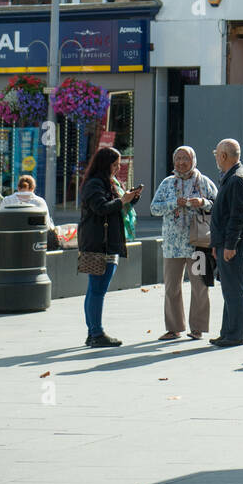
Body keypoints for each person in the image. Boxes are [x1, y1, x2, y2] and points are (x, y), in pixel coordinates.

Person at [150, 146, 218, 342]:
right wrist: (174, 203)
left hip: (199, 244)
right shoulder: (167, 183)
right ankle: (174, 328)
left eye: (185, 158)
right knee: (172, 287)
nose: (181, 162)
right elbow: (154, 208)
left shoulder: (204, 182)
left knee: (200, 287)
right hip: (172, 245)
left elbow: (217, 203)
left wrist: (202, 202)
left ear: (193, 160)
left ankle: (197, 328)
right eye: (178, 158)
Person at [78, 146, 140, 348]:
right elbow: (101, 208)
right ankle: (96, 332)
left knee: (94, 289)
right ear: (105, 164)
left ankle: (92, 331)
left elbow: (114, 205)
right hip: (99, 244)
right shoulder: (95, 184)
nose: (117, 168)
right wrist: (123, 200)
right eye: (115, 164)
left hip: (104, 242)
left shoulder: (107, 182)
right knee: (97, 290)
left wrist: (130, 199)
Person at [209, 138, 243, 348]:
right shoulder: (233, 176)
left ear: (224, 156)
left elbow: (238, 215)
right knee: (229, 288)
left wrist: (229, 245)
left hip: (231, 244)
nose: (216, 158)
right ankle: (228, 331)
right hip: (226, 242)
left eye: (217, 154)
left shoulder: (236, 178)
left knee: (234, 289)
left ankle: (235, 333)